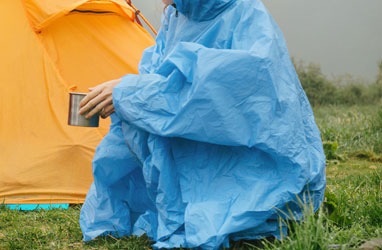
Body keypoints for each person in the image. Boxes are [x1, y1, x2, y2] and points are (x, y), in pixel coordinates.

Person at [77, 0, 326, 249]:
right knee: (135, 113)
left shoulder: (243, 13)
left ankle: (231, 211)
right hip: (199, 158)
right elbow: (160, 78)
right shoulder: (178, 16)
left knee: (136, 103)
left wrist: (131, 93)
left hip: (258, 162)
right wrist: (128, 92)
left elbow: (231, 94)